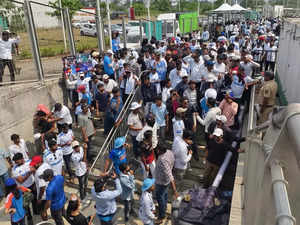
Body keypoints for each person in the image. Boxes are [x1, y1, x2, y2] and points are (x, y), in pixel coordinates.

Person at [154, 142, 178, 224]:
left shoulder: (162, 159)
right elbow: (173, 162)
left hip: (161, 182)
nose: (156, 150)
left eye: (157, 149)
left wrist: (175, 190)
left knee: (160, 198)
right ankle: (164, 209)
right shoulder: (169, 152)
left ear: (160, 150)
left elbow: (169, 175)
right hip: (165, 181)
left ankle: (161, 216)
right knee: (165, 195)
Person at [11, 153, 37, 220]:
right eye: (15, 161)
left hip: (33, 184)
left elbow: (34, 170)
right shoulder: (14, 170)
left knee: (34, 200)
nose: (16, 162)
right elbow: (21, 181)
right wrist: (29, 173)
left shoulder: (29, 162)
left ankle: (36, 211)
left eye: (17, 160)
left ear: (22, 159)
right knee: (26, 204)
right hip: (24, 189)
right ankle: (29, 216)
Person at [30, 155, 51, 220]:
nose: (33, 166)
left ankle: (45, 221)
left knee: (42, 210)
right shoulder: (46, 165)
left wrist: (39, 198)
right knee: (46, 207)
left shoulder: (39, 172)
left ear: (39, 163)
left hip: (43, 195)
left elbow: (42, 187)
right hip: (49, 190)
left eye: (34, 164)